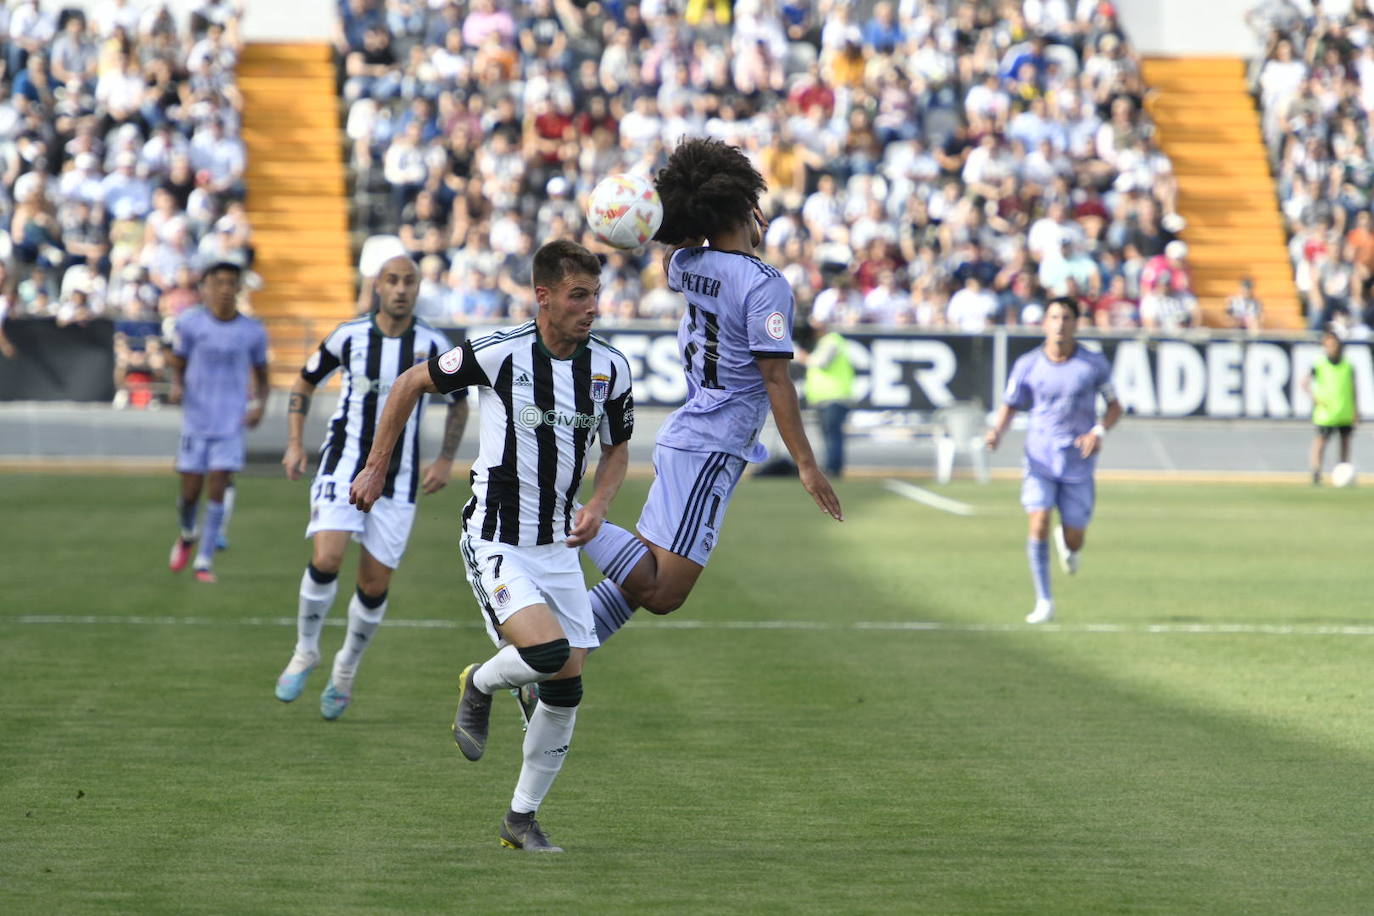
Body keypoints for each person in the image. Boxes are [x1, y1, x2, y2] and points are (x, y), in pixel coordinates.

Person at [350, 239, 634, 853]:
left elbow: (617, 450)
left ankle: (520, 819)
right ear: (544, 297)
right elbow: (408, 384)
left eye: (595, 295)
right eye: (578, 296)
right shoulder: (497, 352)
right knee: (549, 652)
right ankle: (478, 683)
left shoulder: (611, 368)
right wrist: (376, 467)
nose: (591, 308)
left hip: (558, 546)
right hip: (495, 538)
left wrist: (600, 505)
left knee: (567, 685)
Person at [576, 138, 844, 652]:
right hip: (713, 441)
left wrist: (680, 223)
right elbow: (775, 380)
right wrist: (807, 466)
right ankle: (563, 512)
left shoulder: (686, 266)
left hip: (694, 433)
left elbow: (675, 255)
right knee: (662, 591)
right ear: (748, 206)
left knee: (639, 581)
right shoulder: (766, 284)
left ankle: (552, 659)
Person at [275, 255, 470, 720]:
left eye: (409, 281)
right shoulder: (349, 335)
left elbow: (460, 401)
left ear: (419, 288)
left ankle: (345, 668)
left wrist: (445, 458)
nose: (401, 289)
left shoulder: (432, 343)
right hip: (342, 465)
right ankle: (306, 650)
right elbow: (304, 380)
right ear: (377, 286)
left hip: (399, 481)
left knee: (374, 583)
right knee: (326, 558)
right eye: (392, 280)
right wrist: (295, 442)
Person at [984, 297, 1122, 624]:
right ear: (1045, 323)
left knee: (1075, 535)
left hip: (1078, 461)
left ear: (1077, 323)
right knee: (1039, 521)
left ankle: (1070, 546)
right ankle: (1044, 600)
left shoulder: (1093, 364)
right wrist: (996, 432)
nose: (1060, 323)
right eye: (1054, 317)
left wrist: (1098, 431)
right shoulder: (1028, 364)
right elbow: (1010, 404)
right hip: (1039, 459)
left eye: (1067, 317)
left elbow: (1115, 405)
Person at [167, 260, 268, 584]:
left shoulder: (253, 330)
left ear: (239, 288)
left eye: (231, 282)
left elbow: (263, 377)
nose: (225, 288)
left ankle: (205, 561)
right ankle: (186, 533)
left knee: (218, 486)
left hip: (230, 422)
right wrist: (177, 385)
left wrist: (259, 406)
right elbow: (178, 363)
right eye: (218, 282)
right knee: (190, 491)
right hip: (196, 420)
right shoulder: (190, 324)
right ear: (206, 287)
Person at [801, 313, 856, 477]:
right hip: (825, 398)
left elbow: (821, 362)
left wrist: (802, 357)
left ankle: (833, 468)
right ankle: (830, 466)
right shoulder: (827, 342)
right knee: (828, 435)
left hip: (834, 397)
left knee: (832, 434)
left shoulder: (832, 341)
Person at [1301, 329, 1358, 486]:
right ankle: (1316, 472)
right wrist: (1315, 399)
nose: (1332, 346)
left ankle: (1343, 470)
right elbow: (1304, 383)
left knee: (1345, 442)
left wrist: (1355, 409)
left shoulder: (1347, 365)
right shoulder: (1319, 364)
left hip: (1344, 410)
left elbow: (1354, 389)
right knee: (1321, 441)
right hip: (1326, 412)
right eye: (1329, 343)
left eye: (1334, 343)